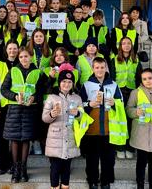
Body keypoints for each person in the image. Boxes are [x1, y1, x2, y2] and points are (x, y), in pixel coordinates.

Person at [80, 57, 127, 189]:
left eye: (102, 67)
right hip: (91, 129)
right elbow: (80, 105)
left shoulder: (113, 84)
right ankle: (92, 180)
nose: (100, 70)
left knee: (108, 159)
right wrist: (90, 104)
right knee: (91, 159)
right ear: (92, 69)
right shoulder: (86, 85)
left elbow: (121, 104)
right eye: (97, 67)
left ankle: (106, 180)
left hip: (109, 128)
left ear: (106, 68)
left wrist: (114, 103)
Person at [1, 46, 44, 183]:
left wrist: (35, 98)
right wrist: (14, 96)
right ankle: (15, 170)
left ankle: (24, 169)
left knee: (26, 140)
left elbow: (42, 90)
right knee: (14, 140)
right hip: (14, 109)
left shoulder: (38, 72)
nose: (23, 59)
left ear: (31, 57)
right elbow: (4, 89)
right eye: (21, 57)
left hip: (30, 110)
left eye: (26, 56)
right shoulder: (13, 70)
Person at [42, 67, 84, 189]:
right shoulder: (52, 97)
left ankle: (65, 186)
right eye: (64, 81)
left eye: (70, 82)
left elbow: (82, 117)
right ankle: (54, 187)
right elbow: (44, 118)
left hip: (71, 136)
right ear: (59, 82)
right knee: (55, 167)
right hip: (55, 138)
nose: (66, 84)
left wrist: (77, 114)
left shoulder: (77, 98)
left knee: (67, 166)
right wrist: (52, 115)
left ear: (73, 84)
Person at [110, 37, 143, 159]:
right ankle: (120, 147)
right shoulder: (114, 59)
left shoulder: (136, 60)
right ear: (120, 46)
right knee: (120, 120)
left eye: (129, 43)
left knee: (131, 120)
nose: (126, 45)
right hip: (118, 92)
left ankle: (130, 147)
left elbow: (140, 77)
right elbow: (112, 78)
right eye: (124, 43)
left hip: (132, 92)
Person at [0, 40, 19, 175]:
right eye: (10, 48)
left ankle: (13, 164)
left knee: (14, 138)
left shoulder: (22, 65)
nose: (12, 51)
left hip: (17, 107)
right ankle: (2, 165)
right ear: (6, 50)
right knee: (3, 137)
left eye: (15, 48)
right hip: (1, 107)